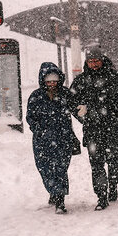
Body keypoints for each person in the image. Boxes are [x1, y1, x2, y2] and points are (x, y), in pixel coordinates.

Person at [71, 45, 118, 210]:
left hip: (113, 129)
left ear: (102, 59)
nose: (93, 64)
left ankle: (113, 184)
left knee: (115, 163)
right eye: (90, 61)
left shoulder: (116, 77)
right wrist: (82, 116)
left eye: (96, 61)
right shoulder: (81, 81)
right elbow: (72, 101)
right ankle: (101, 195)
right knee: (97, 165)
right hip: (92, 131)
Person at [25, 62, 81, 214]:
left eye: (54, 80)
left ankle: (60, 200)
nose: (51, 84)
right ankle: (53, 191)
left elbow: (77, 110)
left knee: (61, 169)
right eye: (48, 81)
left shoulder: (65, 94)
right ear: (43, 80)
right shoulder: (36, 97)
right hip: (42, 141)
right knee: (45, 168)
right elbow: (30, 117)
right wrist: (39, 130)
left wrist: (86, 117)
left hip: (63, 138)